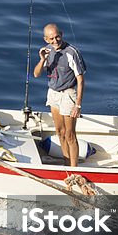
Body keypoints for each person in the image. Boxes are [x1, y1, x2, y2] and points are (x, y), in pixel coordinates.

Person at [32, 23, 86, 167]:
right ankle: (66, 163)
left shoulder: (71, 52)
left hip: (68, 94)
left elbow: (80, 80)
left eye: (57, 37)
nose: (55, 41)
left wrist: (78, 104)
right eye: (51, 39)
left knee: (70, 135)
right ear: (46, 40)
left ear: (61, 34)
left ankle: (73, 170)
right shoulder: (47, 51)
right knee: (59, 131)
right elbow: (36, 74)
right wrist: (42, 59)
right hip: (53, 93)